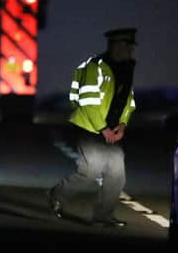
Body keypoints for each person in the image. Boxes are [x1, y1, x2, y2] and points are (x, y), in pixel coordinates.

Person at [48, 28, 137, 227]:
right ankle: (56, 194)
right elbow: (88, 102)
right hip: (90, 129)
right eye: (129, 46)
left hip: (112, 131)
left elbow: (128, 102)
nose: (132, 51)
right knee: (90, 173)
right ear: (117, 46)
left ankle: (103, 216)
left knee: (117, 175)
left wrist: (122, 124)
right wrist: (103, 128)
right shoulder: (95, 67)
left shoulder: (127, 70)